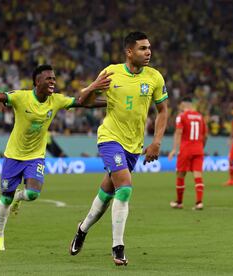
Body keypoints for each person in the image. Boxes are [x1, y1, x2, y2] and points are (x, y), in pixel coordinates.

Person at [0, 64, 112, 251]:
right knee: (5, 199)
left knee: (32, 194)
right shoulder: (21, 97)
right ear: (37, 81)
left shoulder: (56, 100)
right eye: (49, 79)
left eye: (54, 79)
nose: (53, 82)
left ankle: (19, 197)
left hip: (36, 156)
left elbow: (81, 102)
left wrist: (110, 103)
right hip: (13, 155)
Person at [69, 31, 168, 266]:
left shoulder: (154, 77)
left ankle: (82, 228)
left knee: (106, 195)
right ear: (129, 52)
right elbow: (83, 101)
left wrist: (156, 142)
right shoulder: (111, 72)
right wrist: (93, 86)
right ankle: (118, 247)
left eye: (149, 48)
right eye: (143, 48)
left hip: (134, 145)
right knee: (124, 188)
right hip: (110, 137)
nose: (148, 52)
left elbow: (163, 111)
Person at [168, 99, 207, 210]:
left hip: (186, 149)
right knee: (198, 175)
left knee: (180, 174)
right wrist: (201, 147)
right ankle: (199, 202)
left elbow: (179, 132)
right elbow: (205, 135)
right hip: (198, 148)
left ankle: (179, 202)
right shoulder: (200, 116)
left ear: (184, 105)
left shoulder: (181, 116)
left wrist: (175, 149)